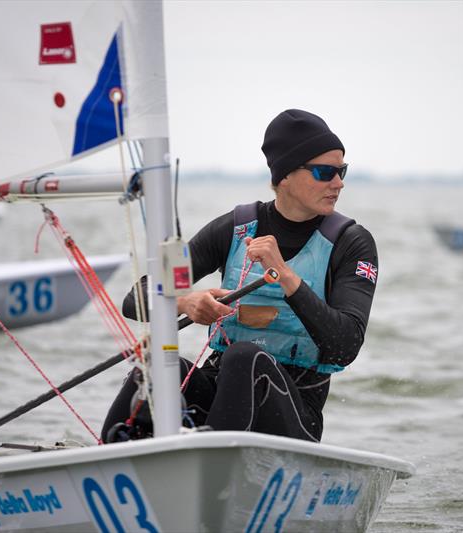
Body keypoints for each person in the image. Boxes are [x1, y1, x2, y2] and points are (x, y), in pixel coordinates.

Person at [102, 109, 378, 443]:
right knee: (157, 369)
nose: (339, 183)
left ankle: (208, 456)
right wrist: (185, 303)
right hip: (221, 396)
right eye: (325, 172)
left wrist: (286, 275)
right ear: (286, 175)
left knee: (244, 356)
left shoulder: (352, 244)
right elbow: (135, 299)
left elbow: (344, 347)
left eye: (341, 171)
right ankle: (107, 463)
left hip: (294, 414)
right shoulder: (232, 229)